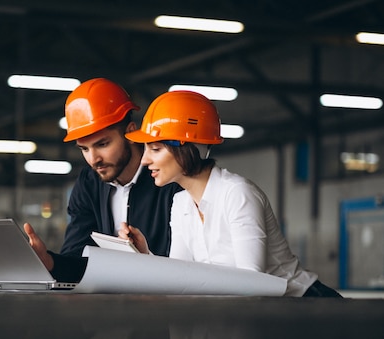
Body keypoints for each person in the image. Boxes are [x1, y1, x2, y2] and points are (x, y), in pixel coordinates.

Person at [118, 90, 341, 297]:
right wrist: (145, 256)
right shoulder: (181, 202)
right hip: (263, 311)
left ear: (186, 148)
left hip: (307, 303)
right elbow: (181, 277)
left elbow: (251, 283)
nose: (145, 160)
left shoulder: (237, 194)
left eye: (155, 149)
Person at [24, 78, 181, 282]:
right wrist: (48, 262)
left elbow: (185, 262)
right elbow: (78, 260)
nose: (93, 159)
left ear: (131, 132)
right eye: (84, 149)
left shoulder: (169, 179)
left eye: (103, 144)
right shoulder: (89, 183)